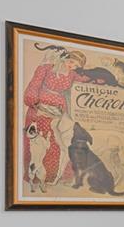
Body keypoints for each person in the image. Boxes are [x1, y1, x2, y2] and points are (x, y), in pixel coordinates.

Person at [22, 48, 90, 187]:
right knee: (39, 144)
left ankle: (53, 175)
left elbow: (85, 79)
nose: (72, 66)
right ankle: (35, 176)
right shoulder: (46, 68)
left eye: (76, 66)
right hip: (39, 110)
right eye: (71, 62)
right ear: (64, 57)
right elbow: (34, 85)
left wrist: (100, 78)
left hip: (58, 112)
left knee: (58, 143)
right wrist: (33, 101)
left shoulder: (71, 75)